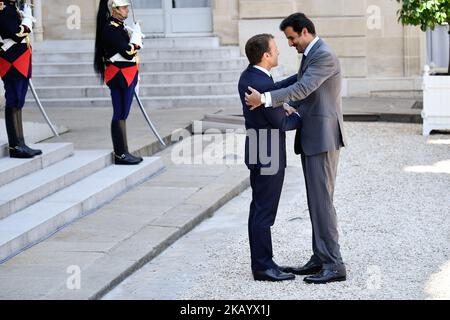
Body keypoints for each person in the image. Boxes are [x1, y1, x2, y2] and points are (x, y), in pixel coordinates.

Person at [245, 13, 347, 284]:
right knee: (317, 201)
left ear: (304, 32)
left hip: (323, 138)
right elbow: (294, 80)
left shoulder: (323, 54)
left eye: (291, 37)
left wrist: (265, 97)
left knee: (322, 202)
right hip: (312, 137)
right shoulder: (311, 55)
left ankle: (334, 264)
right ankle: (320, 257)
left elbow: (303, 88)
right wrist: (266, 90)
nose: (289, 44)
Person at [238, 33, 302, 282]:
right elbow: (282, 123)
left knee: (258, 208)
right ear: (265, 55)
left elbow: (274, 89)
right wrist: (303, 116)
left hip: (257, 148)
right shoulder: (261, 83)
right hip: (268, 153)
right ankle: (263, 267)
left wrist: (299, 77)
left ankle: (264, 262)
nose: (278, 52)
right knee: (264, 211)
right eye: (275, 49)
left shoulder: (251, 76)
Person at [94, 0, 145, 165]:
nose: (126, 11)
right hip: (119, 76)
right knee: (119, 114)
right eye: (123, 8)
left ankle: (124, 151)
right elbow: (128, 53)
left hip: (126, 75)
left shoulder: (119, 27)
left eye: (126, 8)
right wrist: (136, 39)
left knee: (123, 114)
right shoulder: (110, 29)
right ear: (114, 10)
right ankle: (120, 154)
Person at [0, 0, 42, 158]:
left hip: (20, 61)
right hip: (12, 62)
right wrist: (28, 20)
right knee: (13, 100)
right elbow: (17, 35)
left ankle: (21, 142)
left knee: (18, 101)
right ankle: (15, 145)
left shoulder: (12, 9)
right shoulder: (4, 11)